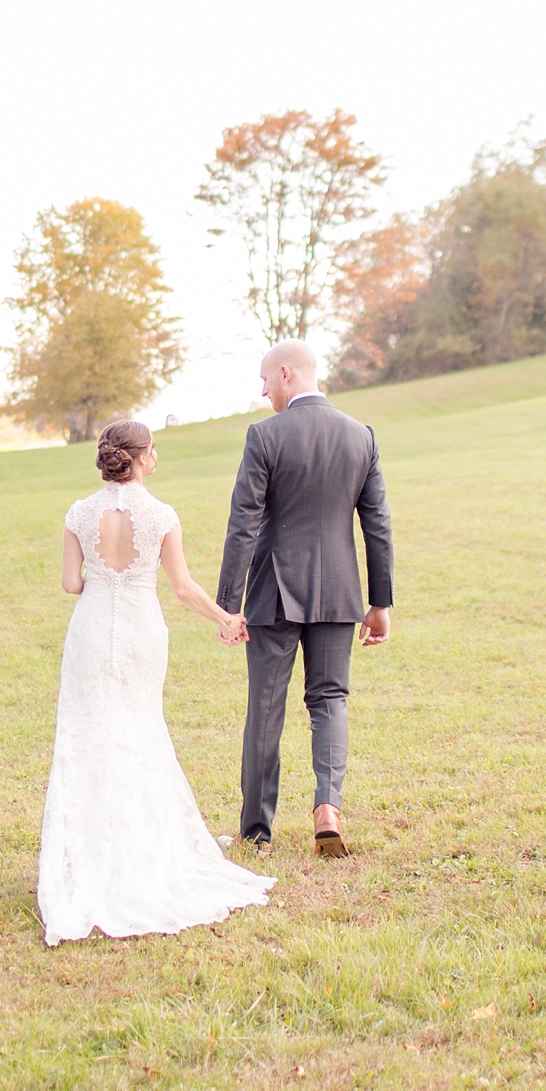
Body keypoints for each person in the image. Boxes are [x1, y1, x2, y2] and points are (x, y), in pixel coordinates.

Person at [36, 420, 275, 946]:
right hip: (143, 632)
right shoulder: (161, 515)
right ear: (144, 458)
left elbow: (71, 584)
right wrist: (226, 620)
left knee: (88, 736)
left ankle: (89, 859)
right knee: (141, 731)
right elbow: (184, 588)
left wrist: (101, 575)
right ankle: (141, 852)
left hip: (92, 633)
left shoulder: (78, 513)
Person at [216, 341, 393, 858]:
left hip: (275, 591)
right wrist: (379, 602)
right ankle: (328, 808)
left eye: (265, 380)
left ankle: (257, 834)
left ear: (286, 374)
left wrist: (230, 603)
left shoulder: (265, 436)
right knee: (330, 699)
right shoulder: (360, 436)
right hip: (340, 590)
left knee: (266, 706)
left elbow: (242, 523)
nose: (263, 390)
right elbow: (376, 523)